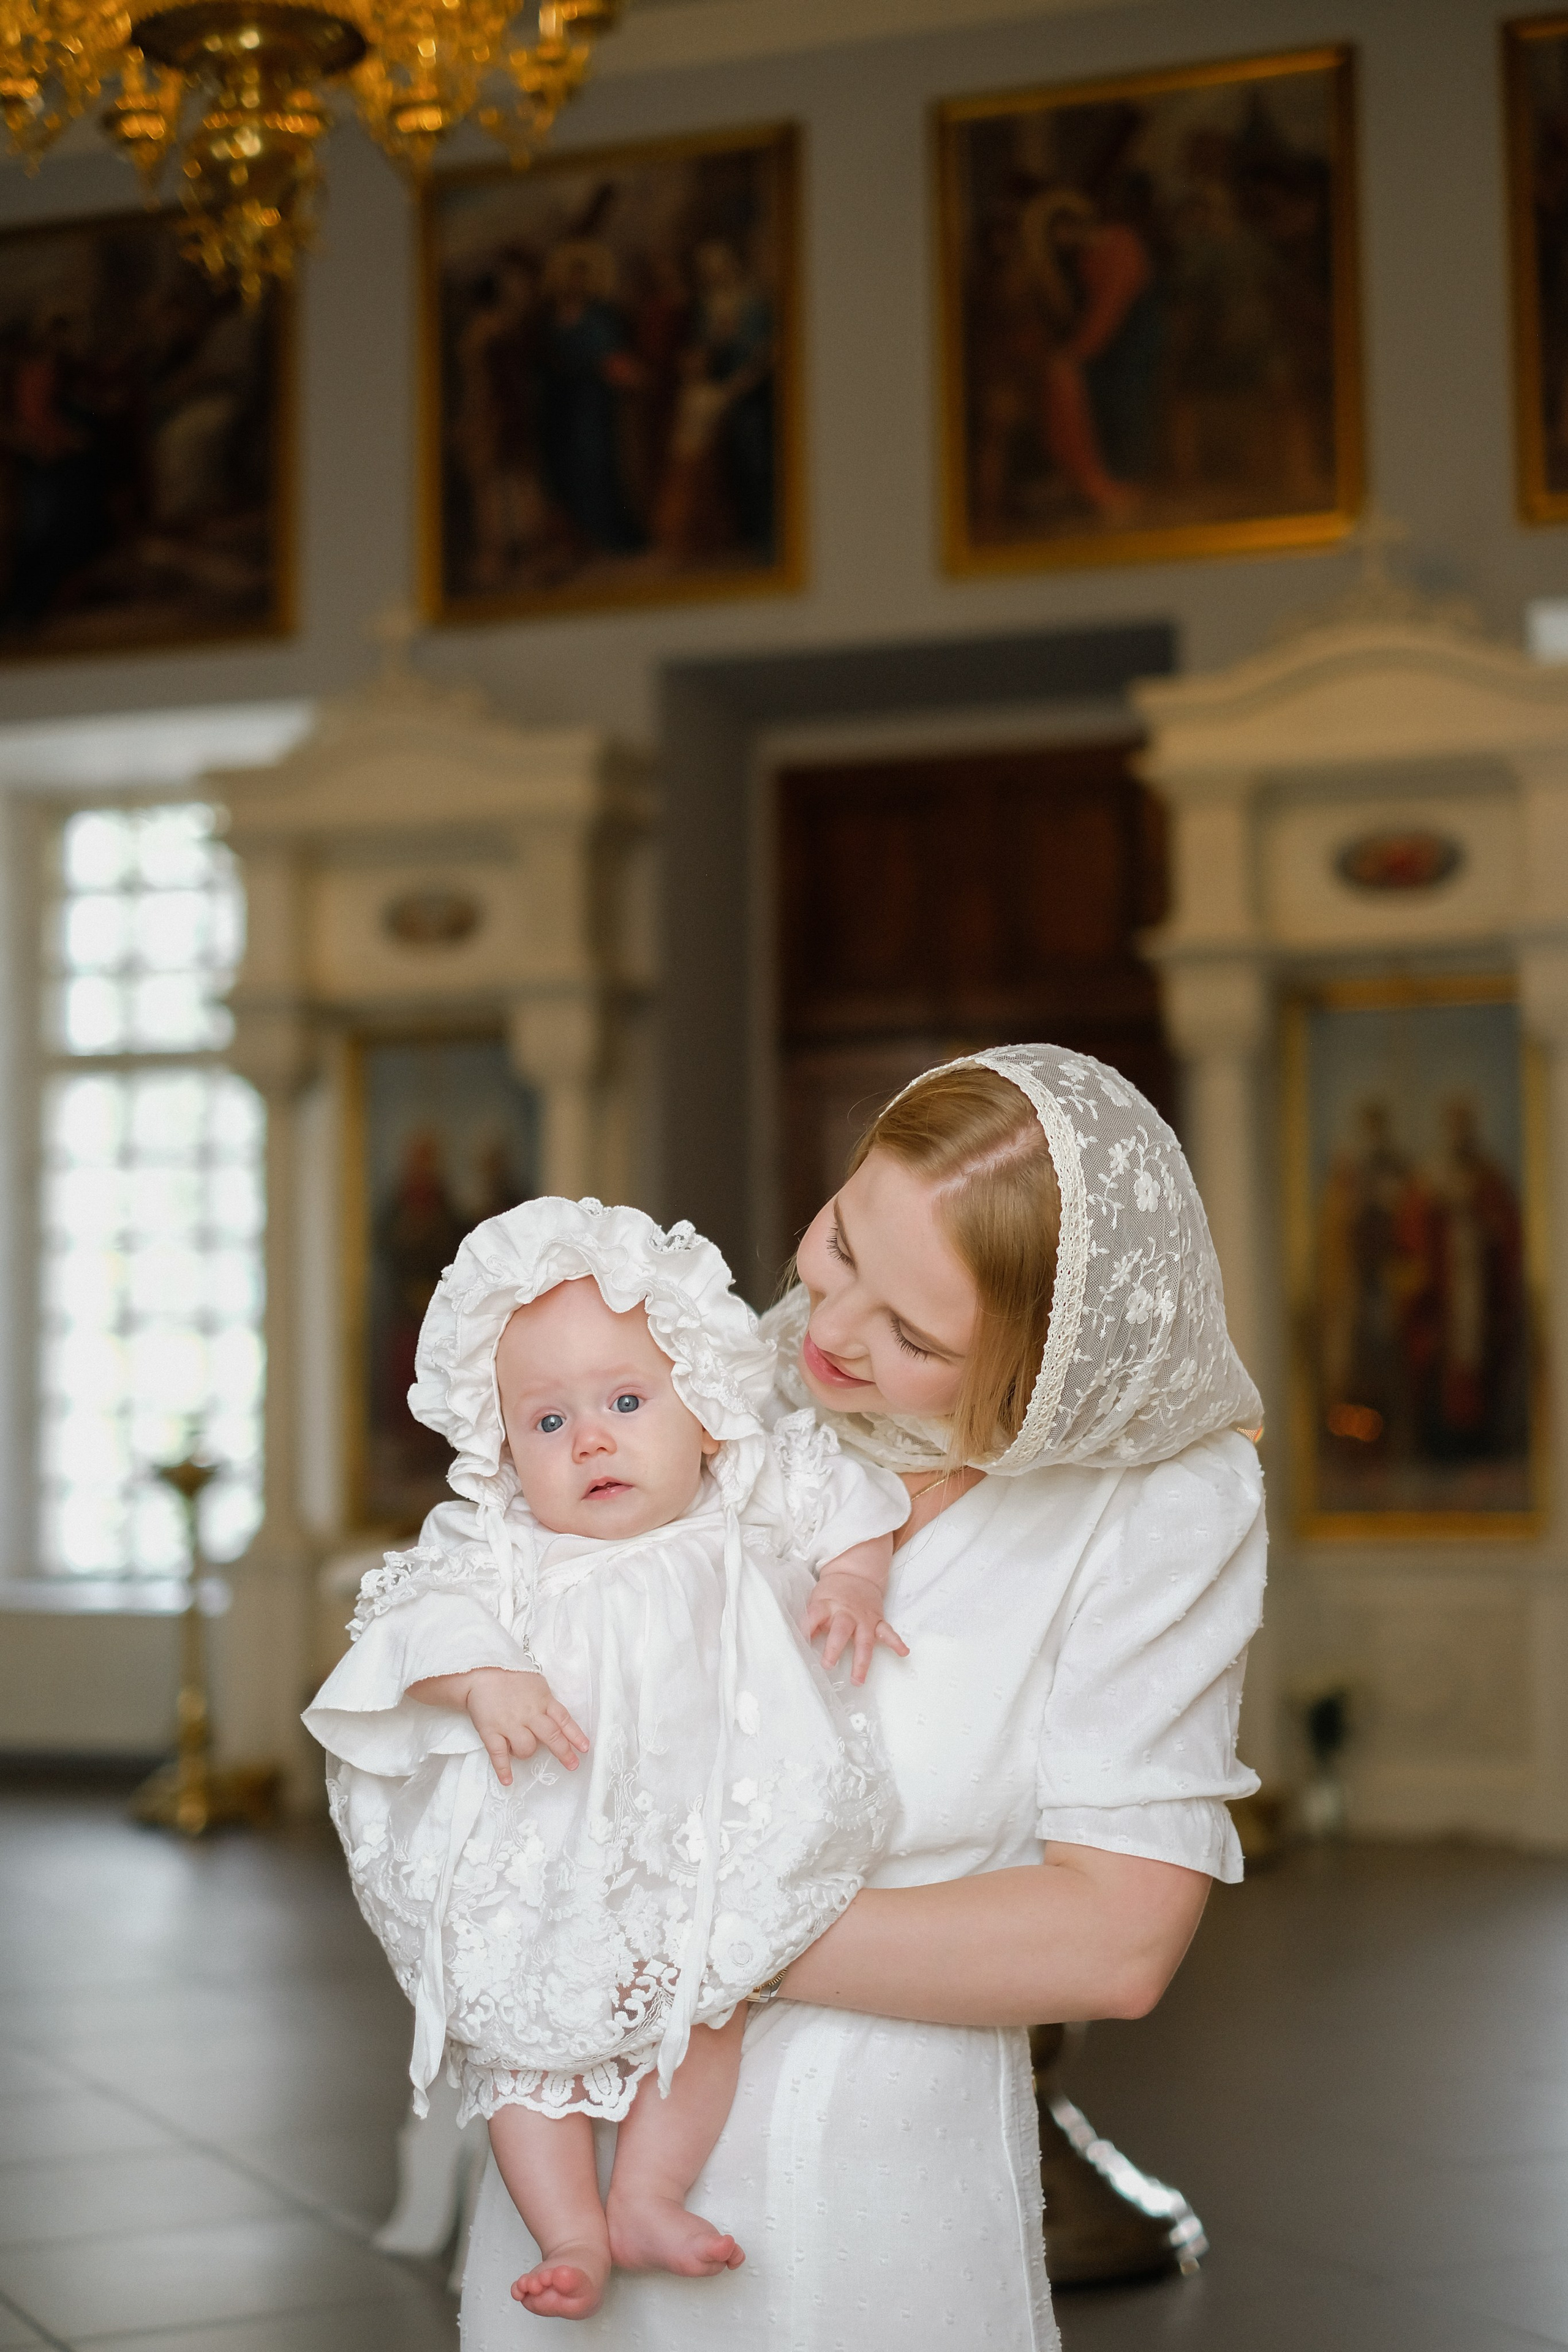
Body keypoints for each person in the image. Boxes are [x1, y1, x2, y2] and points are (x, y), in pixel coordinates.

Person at [458, 1042, 1268, 2351]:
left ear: (1043, 1363)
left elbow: (1114, 1941)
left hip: (857, 2207)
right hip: (574, 2187)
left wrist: (679, 1914)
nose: (823, 1333)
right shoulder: (712, 1387)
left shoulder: (1153, 1506)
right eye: (837, 1245)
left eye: (911, 1334)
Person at [305, 1197, 912, 2322]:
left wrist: (853, 1580)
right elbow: (408, 1633)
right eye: (546, 1423)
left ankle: (645, 2193)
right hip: (549, 1864)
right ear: (501, 1445)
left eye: (627, 1403)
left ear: (703, 1409)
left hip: (695, 1845)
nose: (590, 1440)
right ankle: (568, 2230)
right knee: (520, 2054)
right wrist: (484, 1679)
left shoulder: (740, 1494)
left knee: (709, 2001)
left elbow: (846, 1502)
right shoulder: (500, 1549)